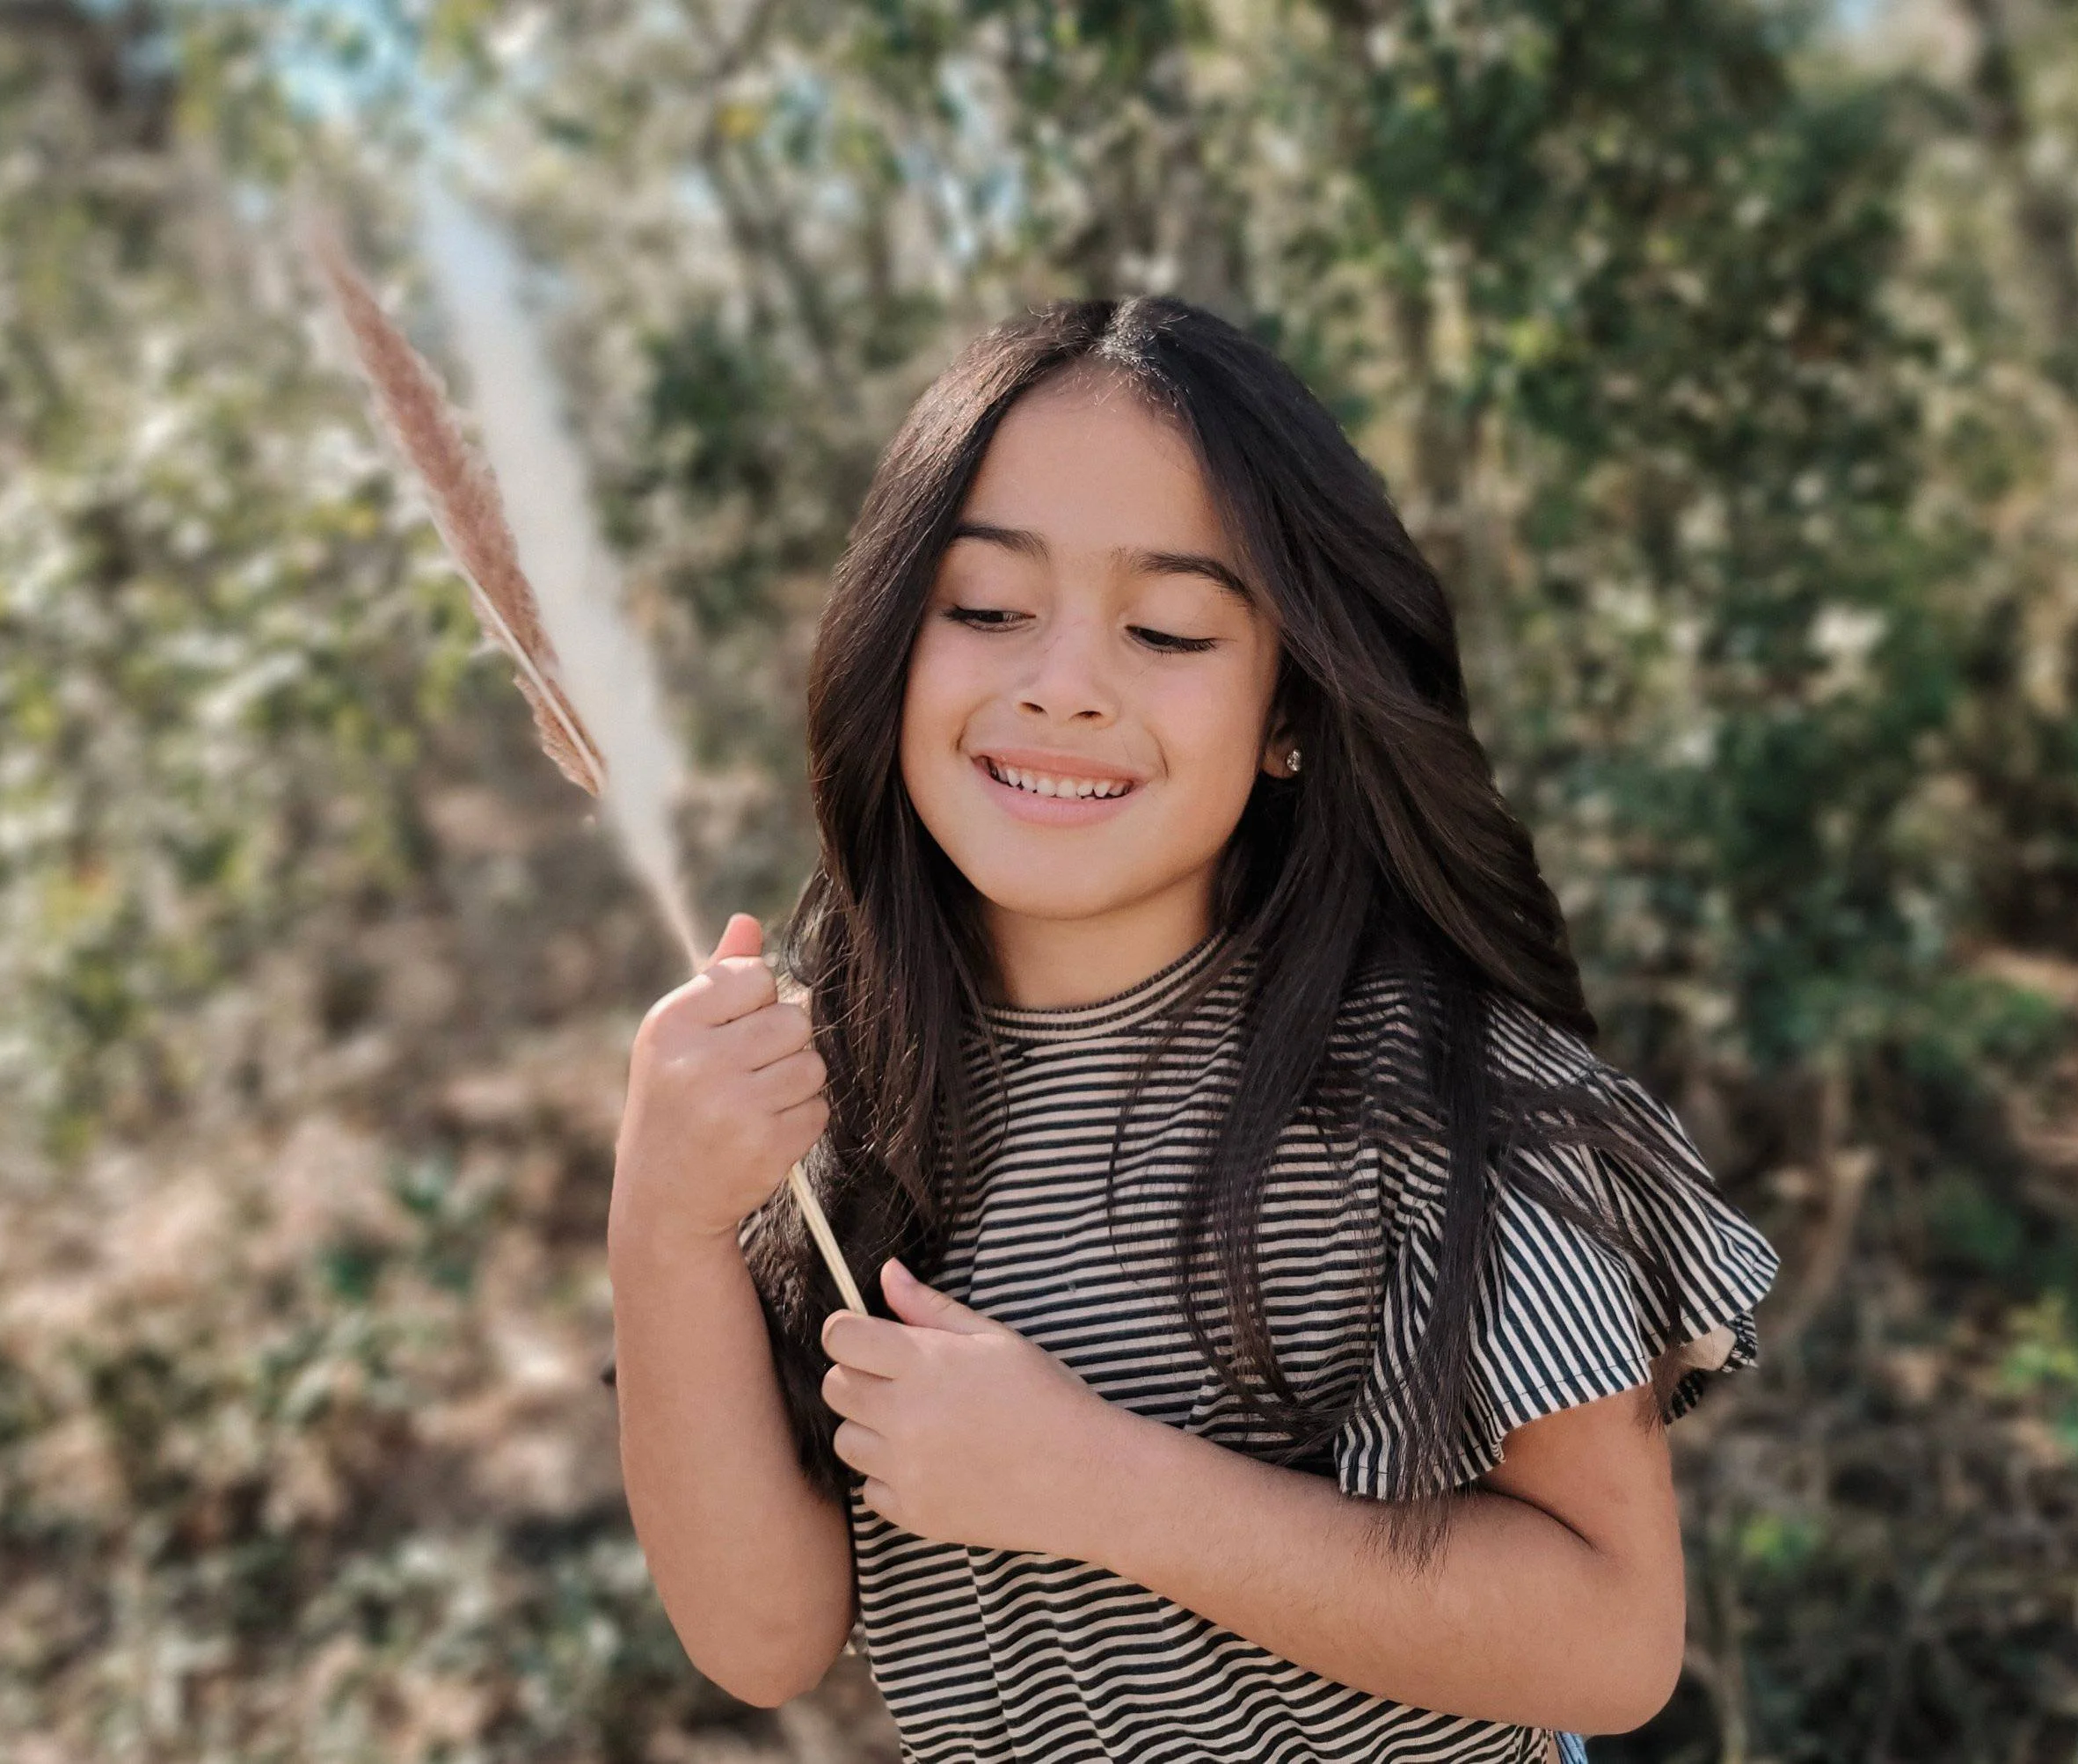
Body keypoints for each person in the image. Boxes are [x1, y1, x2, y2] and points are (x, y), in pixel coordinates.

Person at [606, 297, 1782, 1764]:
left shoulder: (1443, 1099)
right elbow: (763, 1637)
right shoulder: (819, 1095)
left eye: (1165, 628)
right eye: (985, 607)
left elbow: (1609, 1641)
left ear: (1291, 707)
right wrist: (665, 1222)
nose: (1060, 683)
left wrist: (1102, 1485)